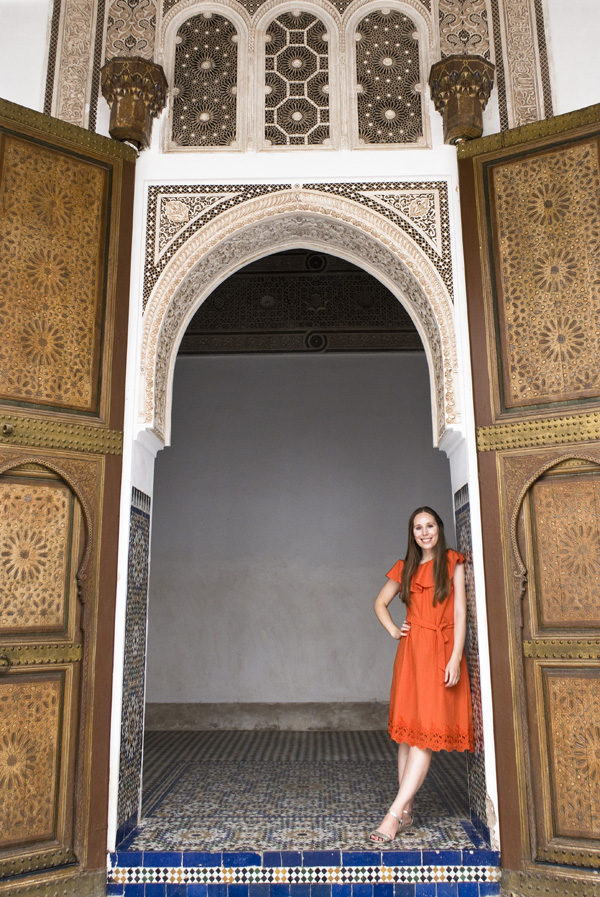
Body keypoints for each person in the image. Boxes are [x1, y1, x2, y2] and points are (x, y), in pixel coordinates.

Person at [369, 506, 474, 843]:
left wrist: (455, 658)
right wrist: (394, 632)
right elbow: (379, 604)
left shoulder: (453, 563)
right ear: (412, 534)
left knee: (425, 735)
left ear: (439, 529)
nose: (425, 532)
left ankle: (393, 815)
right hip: (412, 653)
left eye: (430, 526)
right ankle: (408, 809)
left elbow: (459, 614)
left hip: (441, 651)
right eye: (418, 528)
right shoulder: (406, 567)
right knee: (408, 734)